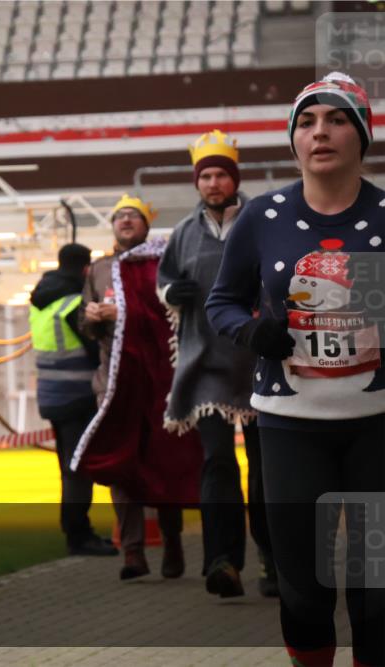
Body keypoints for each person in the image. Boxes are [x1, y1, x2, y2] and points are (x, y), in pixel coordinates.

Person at [207, 72, 383, 667]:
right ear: (293, 140)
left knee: (376, 590)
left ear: (362, 135)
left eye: (336, 120)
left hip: (377, 426)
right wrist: (252, 331)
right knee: (303, 587)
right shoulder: (262, 215)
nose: (320, 132)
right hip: (287, 425)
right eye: (307, 122)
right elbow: (221, 302)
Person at [158, 129, 276, 598]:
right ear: (197, 182)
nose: (212, 183)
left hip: (261, 363)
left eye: (220, 175)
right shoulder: (184, 233)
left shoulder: (263, 221)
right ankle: (221, 562)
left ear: (234, 179)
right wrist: (170, 293)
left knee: (267, 470)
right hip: (205, 365)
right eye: (205, 175)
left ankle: (273, 560)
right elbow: (164, 279)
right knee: (218, 464)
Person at [76, 195, 199, 581]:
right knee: (120, 462)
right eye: (119, 216)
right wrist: (93, 317)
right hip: (112, 382)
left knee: (164, 459)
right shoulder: (98, 269)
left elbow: (172, 317)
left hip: (158, 379)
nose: (125, 221)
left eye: (133, 216)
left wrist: (124, 312)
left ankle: (172, 541)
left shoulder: (161, 264)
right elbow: (84, 323)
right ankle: (131, 552)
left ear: (147, 224)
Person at [30, 243, 117, 557]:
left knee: (69, 465)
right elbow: (98, 350)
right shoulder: (72, 303)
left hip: (52, 393)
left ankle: (78, 532)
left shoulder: (41, 299)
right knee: (77, 468)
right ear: (85, 270)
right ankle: (79, 536)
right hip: (77, 395)